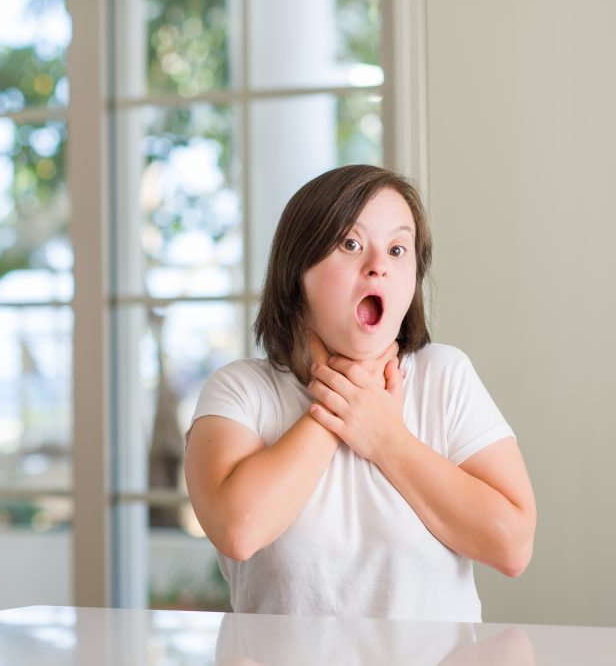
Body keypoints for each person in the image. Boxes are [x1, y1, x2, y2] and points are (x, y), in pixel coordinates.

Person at [184, 164, 536, 622]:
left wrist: (388, 440)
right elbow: (238, 530)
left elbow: (512, 547)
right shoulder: (239, 390)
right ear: (297, 270)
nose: (378, 266)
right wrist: (342, 403)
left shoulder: (444, 376)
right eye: (350, 244)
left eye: (397, 249)